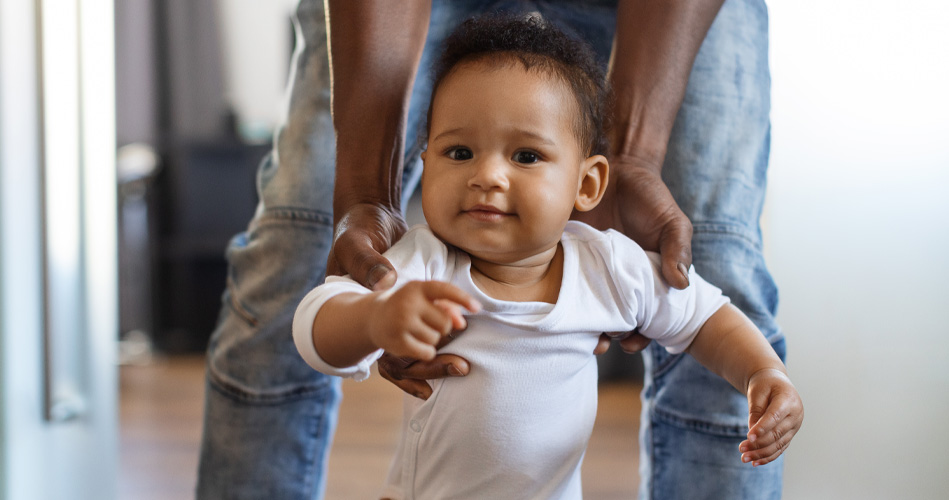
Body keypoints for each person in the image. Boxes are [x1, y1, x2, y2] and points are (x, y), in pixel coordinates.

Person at [197, 1, 786, 498]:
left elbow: (705, 315)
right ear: (424, 164)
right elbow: (314, 328)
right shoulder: (425, 262)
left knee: (719, 255)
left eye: (526, 156)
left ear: (588, 185)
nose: (488, 177)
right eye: (458, 154)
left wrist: (763, 371)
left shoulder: (611, 266)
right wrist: (373, 315)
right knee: (293, 239)